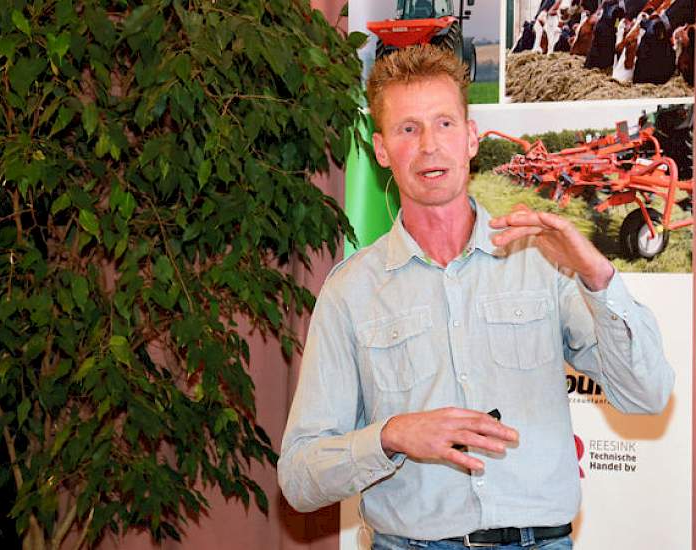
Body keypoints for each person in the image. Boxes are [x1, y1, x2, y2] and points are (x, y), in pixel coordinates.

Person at [278, 44, 674, 549]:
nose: (428, 146)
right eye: (407, 128)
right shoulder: (350, 290)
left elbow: (648, 393)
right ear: (381, 150)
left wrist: (598, 274)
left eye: (444, 124)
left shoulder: (542, 260)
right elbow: (299, 477)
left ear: (470, 139)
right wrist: (392, 435)